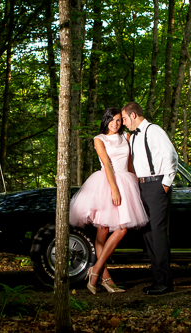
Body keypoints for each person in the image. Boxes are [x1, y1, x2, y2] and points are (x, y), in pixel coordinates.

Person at [69, 107, 148, 294]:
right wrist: (114, 189)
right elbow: (106, 164)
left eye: (119, 120)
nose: (116, 123)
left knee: (122, 229)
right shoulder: (99, 139)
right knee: (102, 230)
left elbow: (129, 164)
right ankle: (106, 278)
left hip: (126, 182)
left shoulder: (126, 138)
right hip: (105, 183)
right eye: (112, 119)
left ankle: (95, 270)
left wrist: (136, 183)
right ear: (106, 120)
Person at [121, 102, 178, 295]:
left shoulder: (154, 131)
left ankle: (165, 282)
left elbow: (171, 155)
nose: (124, 123)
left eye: (126, 119)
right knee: (148, 233)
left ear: (134, 115)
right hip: (142, 186)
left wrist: (166, 184)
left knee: (159, 233)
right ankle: (158, 280)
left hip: (157, 185)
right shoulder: (133, 136)